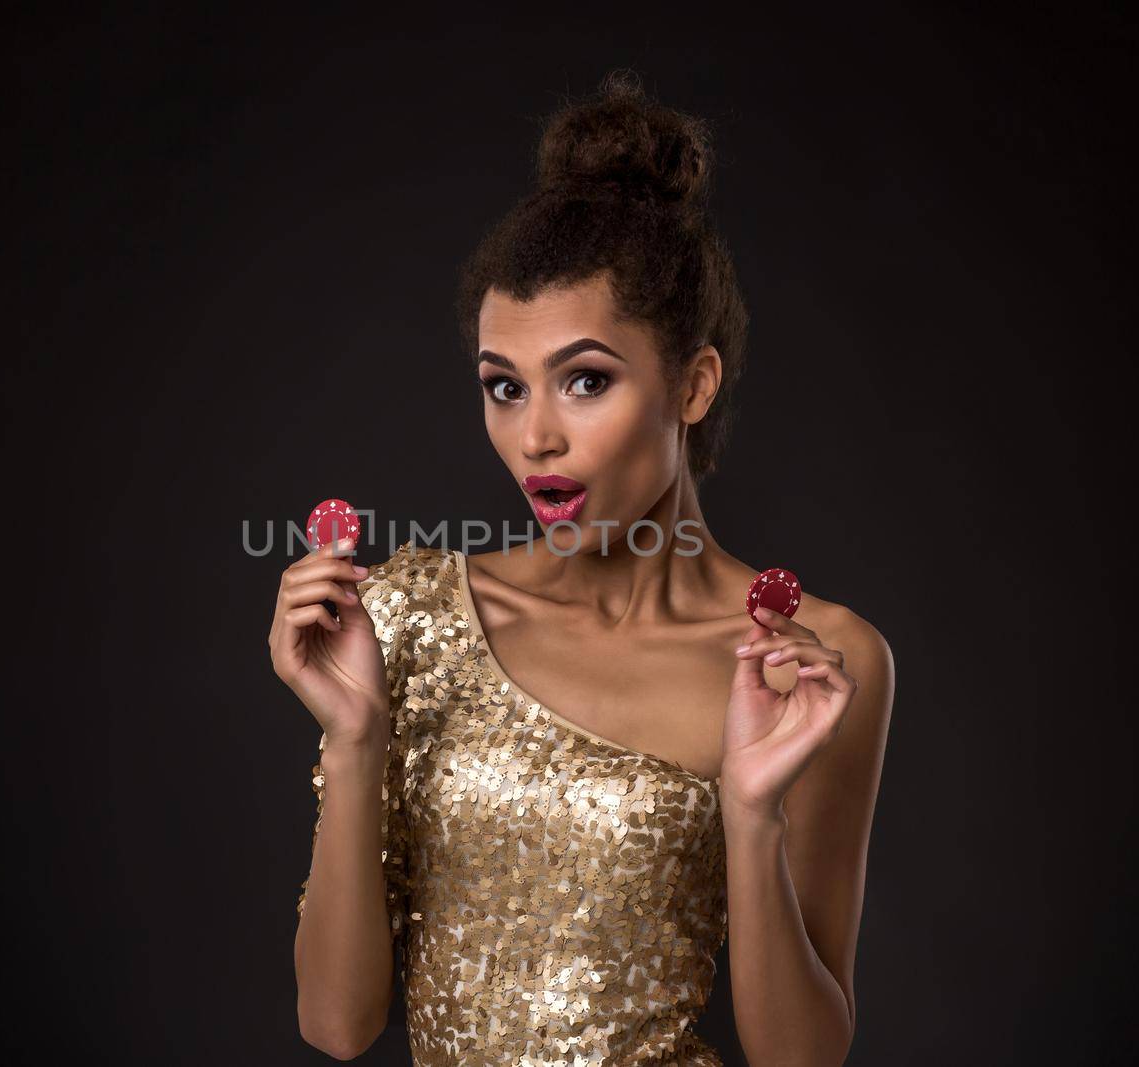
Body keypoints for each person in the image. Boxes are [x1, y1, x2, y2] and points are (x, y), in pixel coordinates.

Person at [270, 69, 895, 1066]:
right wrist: (354, 739)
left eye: (586, 380)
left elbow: (803, 1057)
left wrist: (750, 809)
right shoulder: (412, 617)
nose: (535, 437)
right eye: (503, 388)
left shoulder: (811, 659)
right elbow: (335, 1024)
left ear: (691, 384)